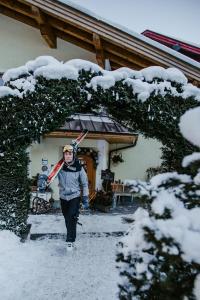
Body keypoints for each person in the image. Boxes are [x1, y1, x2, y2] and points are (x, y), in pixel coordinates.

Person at [57, 144, 89, 251]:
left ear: (73, 155)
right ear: (64, 155)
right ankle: (71, 236)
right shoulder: (60, 167)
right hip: (63, 197)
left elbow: (84, 184)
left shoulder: (79, 168)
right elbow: (50, 174)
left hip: (74, 196)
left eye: (70, 154)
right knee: (67, 219)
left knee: (71, 217)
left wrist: (85, 196)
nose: (68, 156)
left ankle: (70, 240)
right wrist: (43, 178)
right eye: (66, 154)